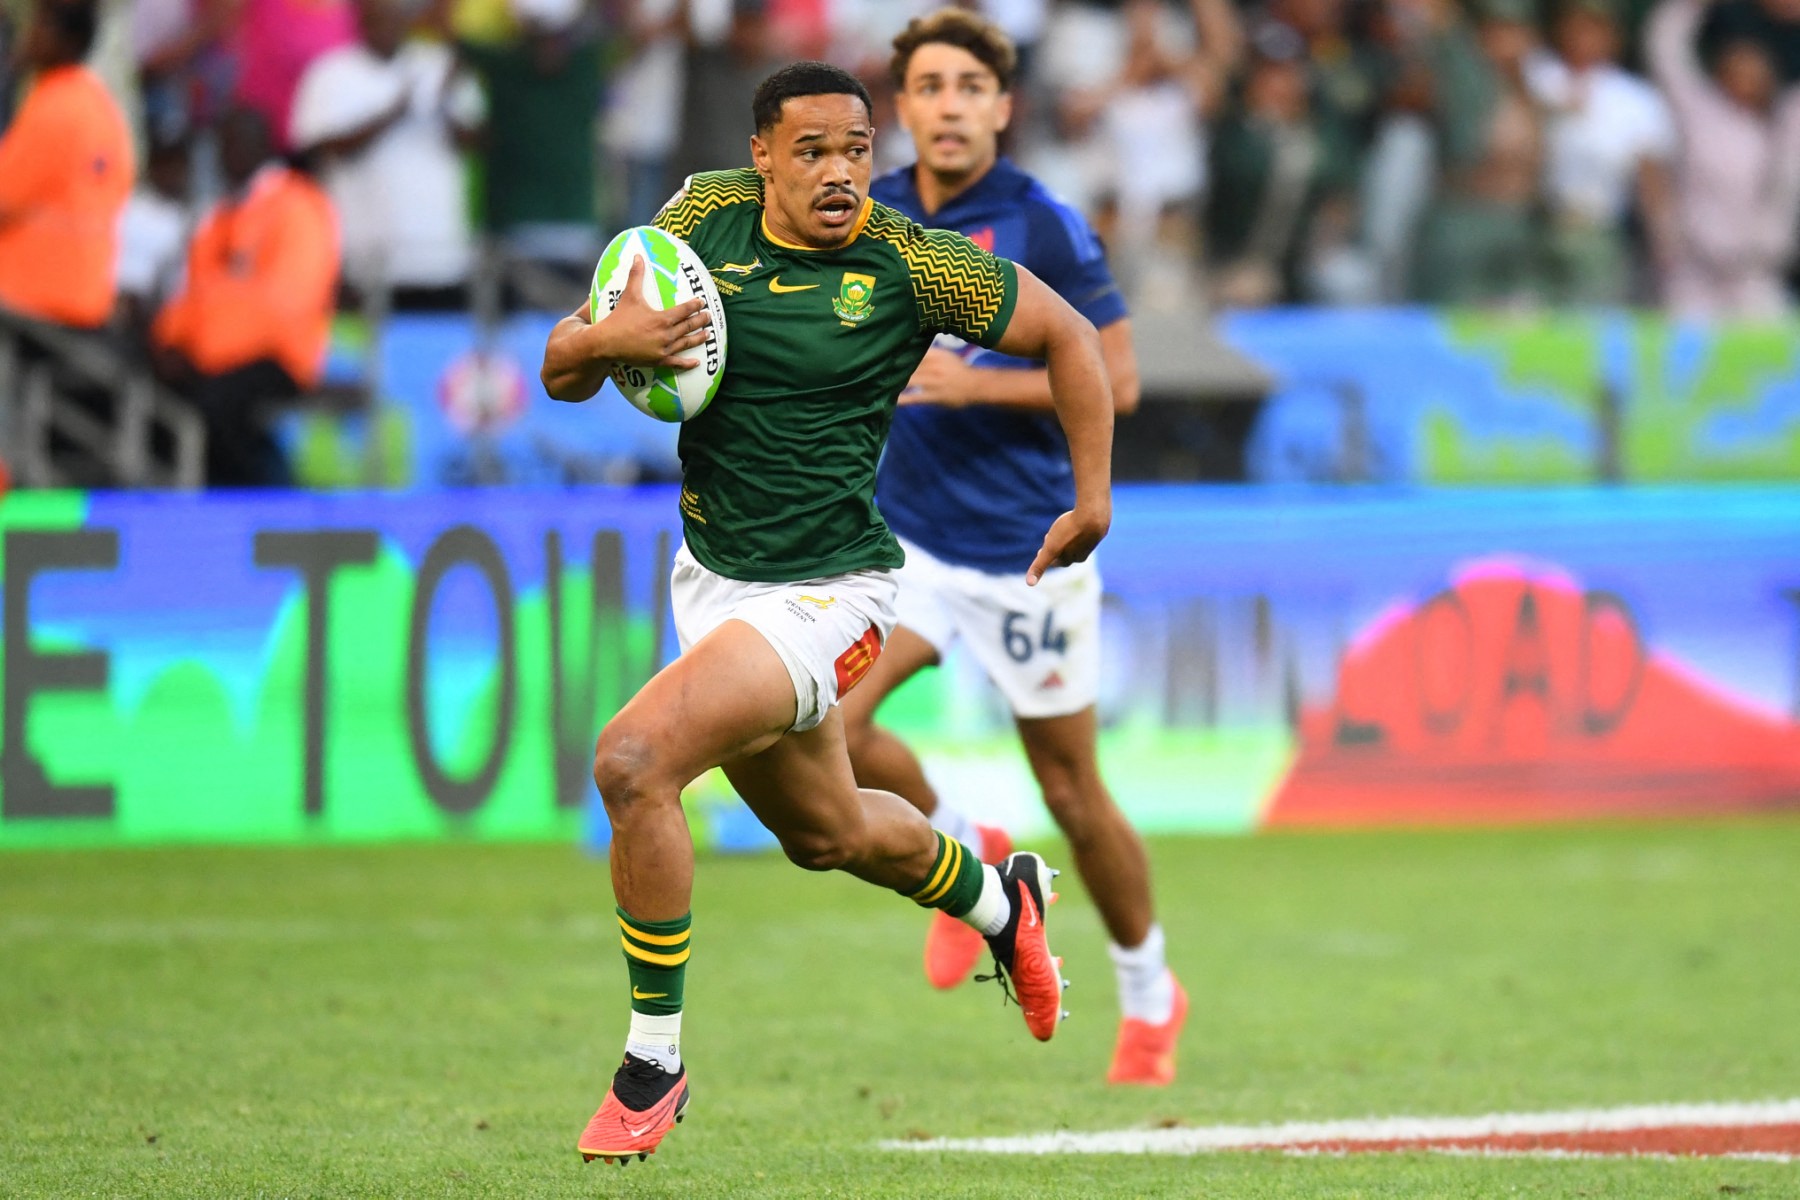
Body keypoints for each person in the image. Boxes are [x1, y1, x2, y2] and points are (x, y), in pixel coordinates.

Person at [540, 60, 1115, 1166]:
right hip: (715, 584)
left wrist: (1090, 501)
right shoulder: (701, 220)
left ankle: (651, 1063)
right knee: (828, 834)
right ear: (762, 156)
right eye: (812, 151)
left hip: (831, 593)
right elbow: (565, 361)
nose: (842, 172)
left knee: (632, 761)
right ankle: (1003, 902)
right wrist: (611, 343)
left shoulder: (912, 264)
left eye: (857, 149)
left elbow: (1073, 341)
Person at [846, 7, 1184, 1089]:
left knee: (1075, 794)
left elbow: (1118, 380)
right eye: (928, 87)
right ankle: (969, 844)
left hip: (1023, 550)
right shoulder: (872, 214)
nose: (948, 106)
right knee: (832, 729)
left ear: (1003, 106)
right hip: (904, 544)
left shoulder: (1042, 223)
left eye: (968, 88)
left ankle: (1150, 989)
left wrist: (977, 380)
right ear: (900, 108)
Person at [152, 107, 340, 486]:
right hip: (213, 355)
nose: (225, 156)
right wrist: (171, 341)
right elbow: (191, 290)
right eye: (221, 146)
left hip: (278, 355)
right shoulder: (220, 215)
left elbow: (288, 301)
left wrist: (208, 346)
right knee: (157, 402)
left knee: (217, 407)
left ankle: (273, 503)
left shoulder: (298, 205)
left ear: (261, 146)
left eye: (233, 144)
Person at [289, 0, 486, 306]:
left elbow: (475, 142)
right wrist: (395, 112)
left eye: (393, 18)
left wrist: (444, 100)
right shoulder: (331, 72)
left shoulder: (438, 63)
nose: (386, 27)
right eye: (376, 19)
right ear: (360, 21)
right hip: (364, 260)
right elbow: (322, 150)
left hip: (439, 259)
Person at [1646, 0, 1800, 317]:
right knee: (1686, 352)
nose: (1746, 75)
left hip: (1754, 272)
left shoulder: (1783, 123)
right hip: (1694, 268)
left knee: (1768, 347)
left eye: (1755, 68)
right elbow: (1665, 48)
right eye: (1737, 66)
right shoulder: (1698, 112)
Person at [0, 0, 134, 332]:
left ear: (70, 42)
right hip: (86, 292)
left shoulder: (56, 107)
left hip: (35, 287)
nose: (29, 37)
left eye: (42, 27)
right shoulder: (99, 105)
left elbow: (4, 199)